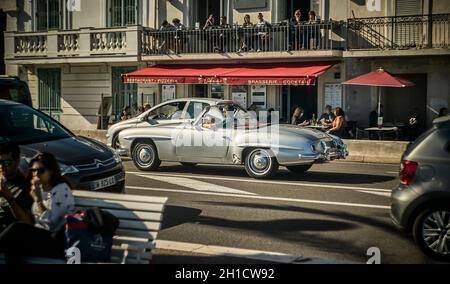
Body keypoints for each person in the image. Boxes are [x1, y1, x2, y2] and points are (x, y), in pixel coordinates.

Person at [0, 152, 75, 263]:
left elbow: (50, 224)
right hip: (40, 238)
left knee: (17, 229)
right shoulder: (39, 189)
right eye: (33, 170)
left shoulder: (61, 189)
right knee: (13, 244)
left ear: (51, 171)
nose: (36, 174)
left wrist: (38, 200)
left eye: (40, 170)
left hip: (56, 241)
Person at [0, 144, 34, 233]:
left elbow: (28, 223)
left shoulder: (26, 187)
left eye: (7, 163)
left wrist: (9, 198)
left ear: (17, 161)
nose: (2, 167)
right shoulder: (1, 178)